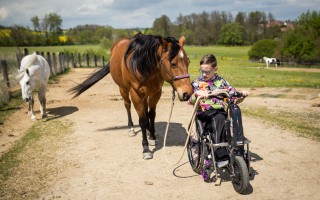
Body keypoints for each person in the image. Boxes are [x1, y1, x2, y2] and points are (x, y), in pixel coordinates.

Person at [188, 54, 249, 144]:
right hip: (204, 115)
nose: (204, 74)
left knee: (235, 111)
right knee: (219, 117)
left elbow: (233, 98)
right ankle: (220, 152)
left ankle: (238, 139)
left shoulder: (222, 82)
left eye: (207, 71)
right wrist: (196, 94)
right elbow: (190, 101)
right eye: (202, 71)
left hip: (222, 113)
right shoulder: (196, 83)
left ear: (215, 69)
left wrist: (242, 95)